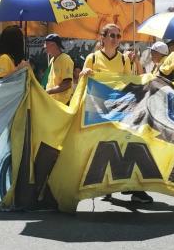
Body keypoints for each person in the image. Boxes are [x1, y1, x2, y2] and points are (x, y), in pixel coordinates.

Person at [81, 23, 151, 203]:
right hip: (98, 111)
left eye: (118, 36)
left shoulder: (124, 59)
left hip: (120, 110)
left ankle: (133, 187)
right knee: (102, 147)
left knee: (126, 144)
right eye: (111, 35)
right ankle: (105, 186)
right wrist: (85, 73)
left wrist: (136, 62)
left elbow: (131, 82)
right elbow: (82, 82)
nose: (115, 39)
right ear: (102, 38)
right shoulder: (93, 58)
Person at [44, 33, 74, 104]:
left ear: (54, 45)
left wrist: (48, 91)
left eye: (47, 44)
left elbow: (67, 84)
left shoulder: (65, 59)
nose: (45, 47)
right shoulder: (52, 60)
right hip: (53, 102)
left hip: (64, 102)